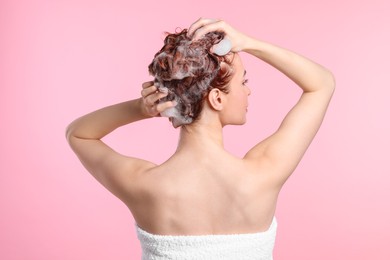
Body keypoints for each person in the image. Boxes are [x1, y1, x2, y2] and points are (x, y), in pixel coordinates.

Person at [66, 18, 335, 260]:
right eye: (243, 82)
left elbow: (78, 134)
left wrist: (141, 108)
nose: (249, 91)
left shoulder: (144, 185)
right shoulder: (263, 172)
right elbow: (321, 84)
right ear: (217, 99)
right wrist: (249, 43)